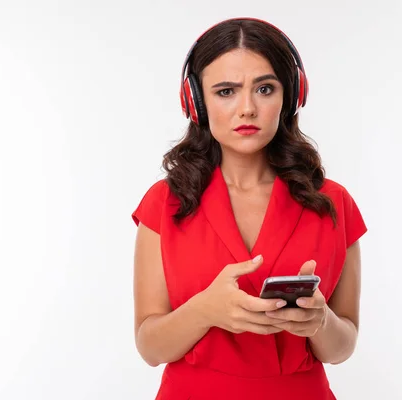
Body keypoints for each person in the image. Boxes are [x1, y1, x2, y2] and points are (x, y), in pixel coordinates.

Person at [131, 17, 367, 400]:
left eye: (264, 88)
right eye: (226, 91)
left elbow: (342, 350)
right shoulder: (164, 202)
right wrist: (205, 311)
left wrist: (319, 320)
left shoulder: (334, 203)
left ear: (290, 96)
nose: (247, 108)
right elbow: (150, 348)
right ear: (196, 101)